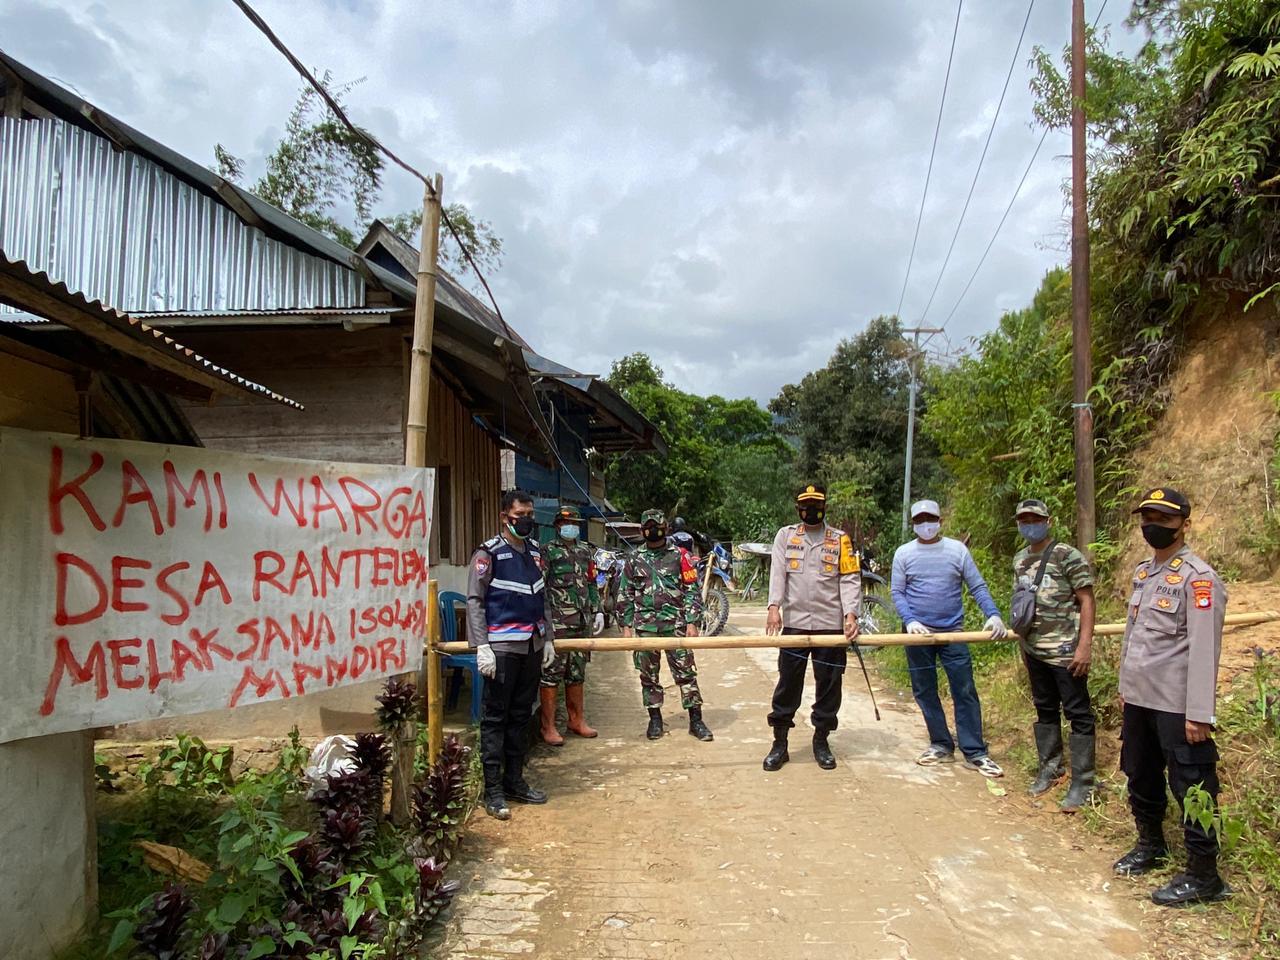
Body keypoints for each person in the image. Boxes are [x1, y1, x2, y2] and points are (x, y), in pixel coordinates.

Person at [1114, 487, 1229, 906]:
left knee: (1193, 785)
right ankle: (1151, 845)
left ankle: (1204, 876)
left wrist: (1199, 713)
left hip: (1177, 705)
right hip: (1141, 698)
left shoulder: (1200, 579)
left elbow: (1204, 650)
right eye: (1147, 518)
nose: (1153, 527)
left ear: (1184, 524)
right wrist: (1125, 689)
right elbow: (1134, 638)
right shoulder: (1144, 573)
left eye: (1163, 519)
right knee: (1139, 771)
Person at [890, 499, 1009, 778]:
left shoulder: (957, 550)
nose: (925, 525)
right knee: (924, 690)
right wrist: (911, 621)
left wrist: (992, 614)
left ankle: (975, 751)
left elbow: (976, 586)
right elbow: (898, 592)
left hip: (954, 632)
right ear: (913, 524)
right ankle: (941, 744)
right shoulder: (904, 553)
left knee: (964, 689)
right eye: (919, 521)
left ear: (940, 521)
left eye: (929, 519)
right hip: (918, 636)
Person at [467, 490, 557, 820]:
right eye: (521, 514)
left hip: (532, 646)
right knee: (495, 719)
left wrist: (547, 638)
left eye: (531, 513)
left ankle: (515, 781)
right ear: (505, 516)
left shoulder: (534, 552)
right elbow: (475, 601)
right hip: (501, 649)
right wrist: (482, 646)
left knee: (521, 716)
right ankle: (493, 791)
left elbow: (541, 596)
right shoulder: (488, 554)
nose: (528, 520)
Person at [762, 484, 862, 771]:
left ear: (824, 506)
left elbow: (849, 578)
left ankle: (821, 739)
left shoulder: (840, 539)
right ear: (798, 508)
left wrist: (851, 614)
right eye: (805, 505)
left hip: (830, 626)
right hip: (794, 624)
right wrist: (773, 607)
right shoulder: (786, 535)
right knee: (788, 682)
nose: (810, 510)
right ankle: (780, 743)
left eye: (816, 504)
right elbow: (778, 573)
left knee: (830, 683)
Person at [1011, 498, 1097, 811]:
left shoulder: (1067, 555)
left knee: (1078, 712)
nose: (1029, 524)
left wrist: (1084, 645)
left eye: (1035, 518)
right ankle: (1050, 767)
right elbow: (1022, 603)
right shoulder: (1020, 559)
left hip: (1065, 650)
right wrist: (1023, 645)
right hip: (1034, 648)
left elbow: (1086, 599)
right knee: (1045, 708)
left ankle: (1084, 781)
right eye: (1024, 519)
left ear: (1048, 521)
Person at [618, 508, 713, 742]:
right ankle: (655, 720)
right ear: (642, 530)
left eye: (657, 525)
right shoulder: (634, 558)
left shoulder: (680, 556)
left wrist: (692, 622)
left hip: (676, 626)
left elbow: (692, 590)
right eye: (648, 526)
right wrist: (626, 627)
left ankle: (696, 720)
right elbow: (625, 593)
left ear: (667, 528)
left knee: (686, 674)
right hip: (645, 628)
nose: (653, 530)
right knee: (648, 676)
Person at [538, 505, 603, 745]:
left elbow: (592, 583)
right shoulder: (548, 552)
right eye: (567, 523)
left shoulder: (585, 551)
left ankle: (576, 721)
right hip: (558, 623)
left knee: (577, 672)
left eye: (575, 523)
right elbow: (540, 589)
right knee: (551, 674)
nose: (571, 527)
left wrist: (597, 611)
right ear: (557, 526)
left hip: (581, 621)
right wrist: (544, 624)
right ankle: (548, 727)